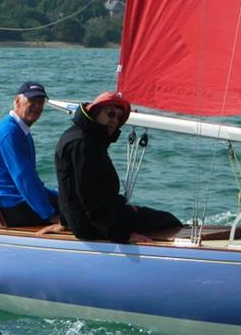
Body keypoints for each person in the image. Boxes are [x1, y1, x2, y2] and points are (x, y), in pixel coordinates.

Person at [52, 91, 182, 243]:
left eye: (119, 117)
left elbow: (68, 185)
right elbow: (89, 198)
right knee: (169, 221)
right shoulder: (82, 144)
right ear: (95, 112)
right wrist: (122, 236)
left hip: (90, 219)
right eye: (110, 114)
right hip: (90, 226)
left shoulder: (82, 137)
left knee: (156, 218)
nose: (114, 120)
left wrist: (64, 221)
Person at [0, 81, 59, 227]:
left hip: (16, 200)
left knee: (72, 201)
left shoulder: (19, 130)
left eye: (41, 102)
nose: (37, 107)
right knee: (76, 213)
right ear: (17, 102)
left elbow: (30, 181)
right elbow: (24, 178)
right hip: (11, 207)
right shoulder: (10, 133)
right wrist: (49, 215)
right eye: (32, 101)